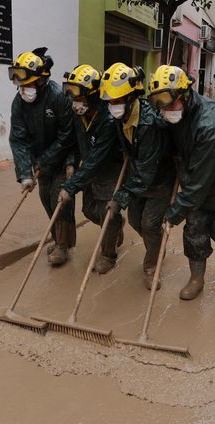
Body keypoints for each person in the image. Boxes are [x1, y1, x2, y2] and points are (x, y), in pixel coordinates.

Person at [148, 65, 215, 301]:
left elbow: (199, 184)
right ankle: (197, 279)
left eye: (168, 103)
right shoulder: (173, 112)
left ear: (184, 95)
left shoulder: (212, 124)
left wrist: (174, 213)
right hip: (195, 174)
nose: (164, 110)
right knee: (194, 229)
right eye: (159, 104)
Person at [99, 62, 176, 290]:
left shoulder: (149, 122)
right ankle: (158, 245)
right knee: (134, 221)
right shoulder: (119, 117)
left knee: (149, 225)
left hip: (159, 179)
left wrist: (119, 199)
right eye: (110, 101)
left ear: (132, 97)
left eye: (117, 100)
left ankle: (151, 265)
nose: (112, 106)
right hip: (138, 177)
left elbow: (146, 171)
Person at [8, 47, 77, 265]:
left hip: (64, 157)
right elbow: (18, 139)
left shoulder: (58, 97)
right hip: (41, 161)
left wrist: (46, 161)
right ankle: (57, 239)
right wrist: (25, 172)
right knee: (46, 199)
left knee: (61, 201)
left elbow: (67, 136)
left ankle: (63, 246)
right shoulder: (18, 102)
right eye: (19, 84)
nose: (22, 89)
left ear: (40, 81)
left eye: (26, 84)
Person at [58, 65, 125, 274]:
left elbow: (98, 158)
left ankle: (108, 255)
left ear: (93, 95)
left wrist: (71, 187)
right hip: (88, 168)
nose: (73, 99)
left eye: (78, 94)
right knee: (89, 210)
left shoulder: (107, 119)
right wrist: (70, 163)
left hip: (108, 168)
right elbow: (72, 142)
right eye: (70, 92)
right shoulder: (79, 114)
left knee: (107, 213)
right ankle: (115, 227)